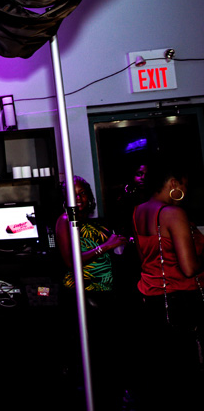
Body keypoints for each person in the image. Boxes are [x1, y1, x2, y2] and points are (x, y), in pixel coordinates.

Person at [131, 161, 204, 410]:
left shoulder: (139, 211)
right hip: (179, 301)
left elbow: (144, 260)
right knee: (186, 374)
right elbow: (189, 268)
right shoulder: (173, 213)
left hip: (151, 301)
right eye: (185, 185)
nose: (186, 191)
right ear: (173, 183)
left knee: (163, 372)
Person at [54, 175, 129, 410]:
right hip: (82, 296)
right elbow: (71, 261)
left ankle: (109, 398)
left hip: (105, 293)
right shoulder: (65, 220)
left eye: (83, 193)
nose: (79, 198)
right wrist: (105, 247)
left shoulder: (94, 223)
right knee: (90, 354)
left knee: (107, 354)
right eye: (73, 194)